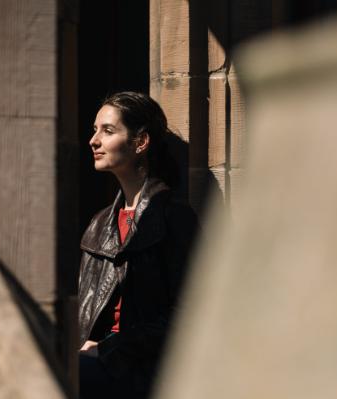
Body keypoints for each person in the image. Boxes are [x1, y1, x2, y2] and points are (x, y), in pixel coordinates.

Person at [78, 92, 198, 399]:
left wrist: (111, 348)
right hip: (96, 364)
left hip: (144, 371)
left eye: (107, 130)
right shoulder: (98, 224)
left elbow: (188, 314)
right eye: (95, 130)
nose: (93, 140)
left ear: (140, 142)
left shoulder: (175, 218)